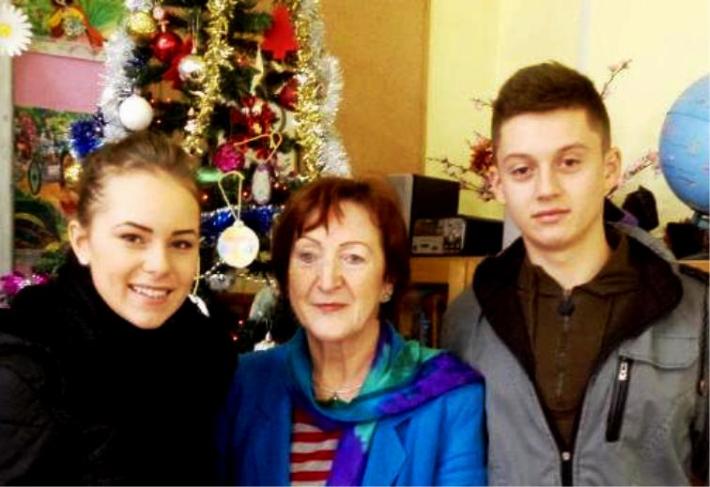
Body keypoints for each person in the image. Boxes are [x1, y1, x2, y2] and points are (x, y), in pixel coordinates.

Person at [442, 61, 708, 485]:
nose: (546, 189)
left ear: (609, 168)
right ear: (498, 183)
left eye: (568, 162)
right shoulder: (466, 319)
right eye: (522, 170)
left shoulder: (697, 311)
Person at [0, 131, 237, 484]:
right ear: (82, 242)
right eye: (132, 238)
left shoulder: (205, 354)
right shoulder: (29, 365)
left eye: (181, 243)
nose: (159, 265)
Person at [216, 176, 486, 486]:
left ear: (388, 281)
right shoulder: (243, 384)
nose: (328, 280)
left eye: (353, 258)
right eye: (307, 256)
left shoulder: (449, 397)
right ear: (286, 279)